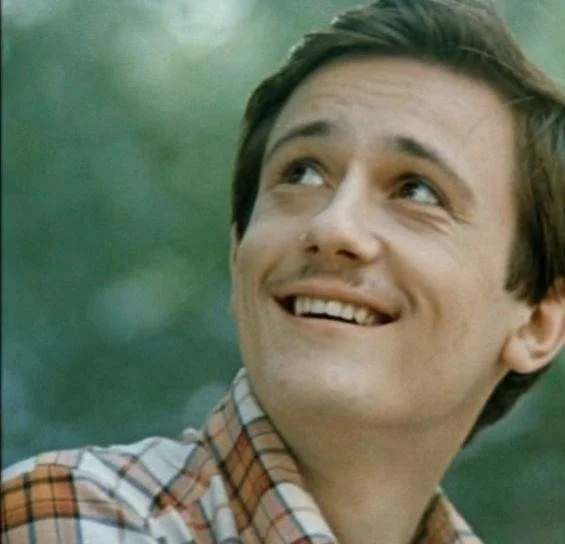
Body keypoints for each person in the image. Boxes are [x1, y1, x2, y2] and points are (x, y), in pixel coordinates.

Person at [2, 0, 565, 542]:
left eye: (416, 190)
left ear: (539, 322)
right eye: (302, 173)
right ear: (238, 255)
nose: (332, 226)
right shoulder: (80, 512)